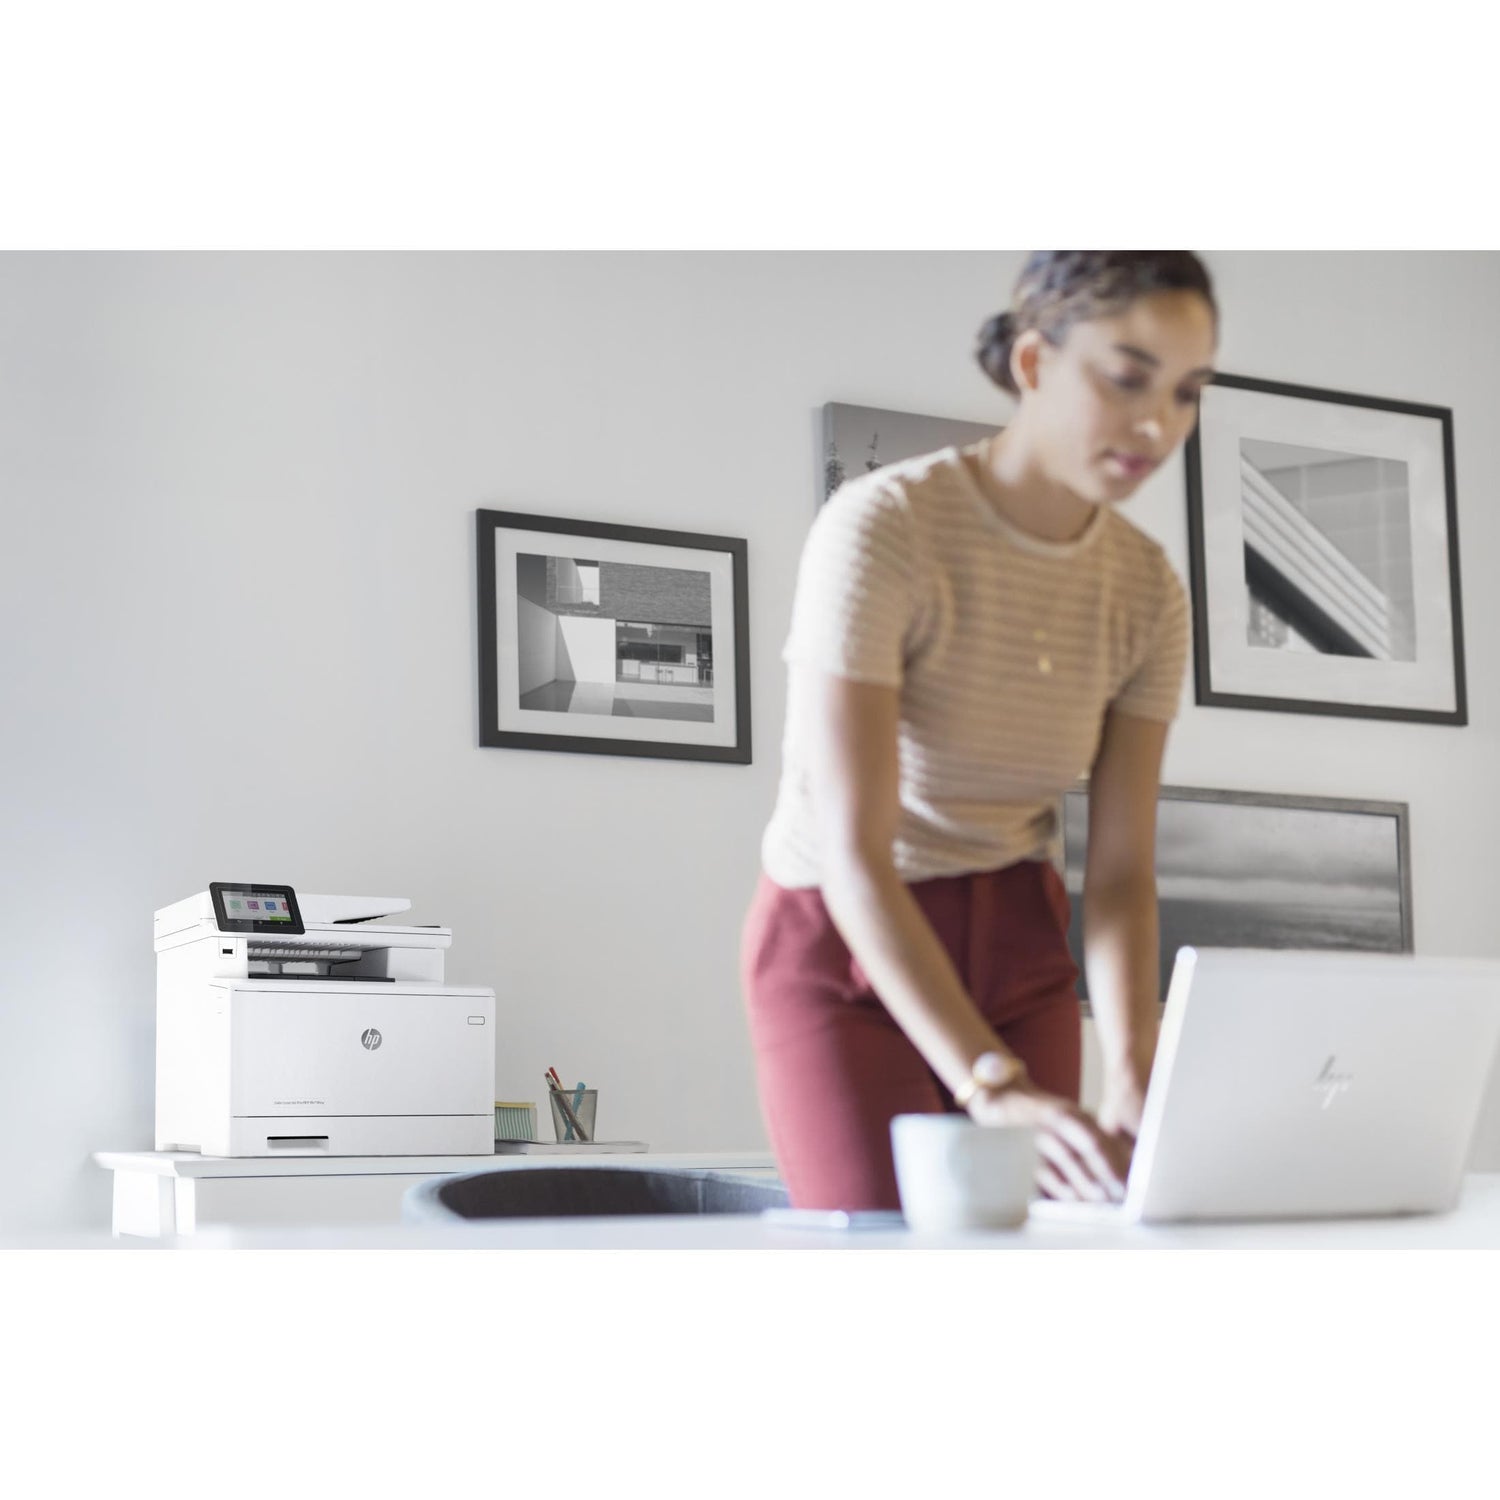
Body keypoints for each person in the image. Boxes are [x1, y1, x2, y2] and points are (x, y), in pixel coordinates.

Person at [741, 251, 1220, 1210]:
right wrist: (989, 1084)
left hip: (1018, 938)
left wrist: (1135, 1075)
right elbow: (854, 851)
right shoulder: (883, 528)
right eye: (1127, 379)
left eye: (1186, 392)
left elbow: (1121, 873)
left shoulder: (1148, 592)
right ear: (1034, 363)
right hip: (845, 934)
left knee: (1029, 1251)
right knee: (882, 1249)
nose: (1157, 425)